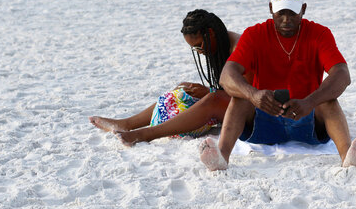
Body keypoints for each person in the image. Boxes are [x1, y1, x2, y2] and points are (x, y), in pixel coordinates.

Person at [199, 0, 356, 171]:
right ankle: (221, 156)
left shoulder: (320, 33)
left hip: (306, 118)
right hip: (263, 121)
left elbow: (343, 74)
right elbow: (226, 75)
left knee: (329, 101)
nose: (286, 20)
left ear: (303, 9)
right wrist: (253, 94)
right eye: (281, 13)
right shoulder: (254, 34)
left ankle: (348, 157)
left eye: (292, 13)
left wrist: (310, 102)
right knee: (240, 98)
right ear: (271, 8)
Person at [89, 9, 242, 146]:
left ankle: (145, 134)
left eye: (198, 45)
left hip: (254, 111)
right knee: (184, 90)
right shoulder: (220, 43)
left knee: (213, 99)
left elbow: (247, 95)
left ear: (210, 33)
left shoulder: (238, 47)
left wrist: (210, 92)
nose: (198, 51)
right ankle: (127, 123)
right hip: (239, 102)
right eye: (193, 48)